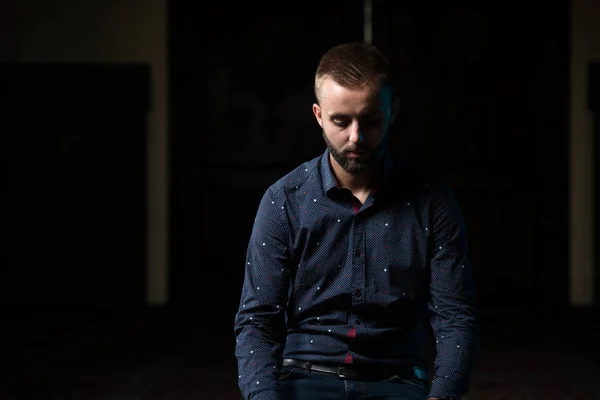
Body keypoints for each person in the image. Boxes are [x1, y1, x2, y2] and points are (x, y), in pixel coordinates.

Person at [234, 42, 479, 400]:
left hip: (399, 381)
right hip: (304, 377)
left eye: (370, 120)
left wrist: (441, 395)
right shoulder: (282, 201)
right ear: (318, 115)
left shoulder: (433, 202)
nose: (355, 137)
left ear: (392, 112)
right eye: (340, 121)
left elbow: (456, 318)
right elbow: (257, 320)